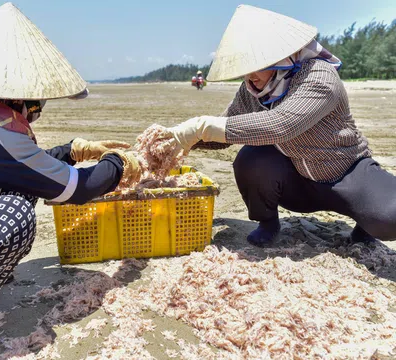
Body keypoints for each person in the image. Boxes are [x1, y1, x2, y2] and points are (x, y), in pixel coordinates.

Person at [0, 3, 140, 360]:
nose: (32, 115)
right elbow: (76, 190)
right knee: (11, 215)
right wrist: (119, 163)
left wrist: (71, 151)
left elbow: (18, 170)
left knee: (22, 189)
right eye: (34, 107)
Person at [156, 5, 396, 247]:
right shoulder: (252, 90)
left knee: (390, 216)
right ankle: (267, 222)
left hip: (346, 173)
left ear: (280, 56)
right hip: (296, 180)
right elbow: (226, 131)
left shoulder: (319, 76)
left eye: (254, 66)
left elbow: (282, 124)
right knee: (251, 159)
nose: (249, 78)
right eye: (243, 71)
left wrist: (200, 127)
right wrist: (177, 141)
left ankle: (366, 223)